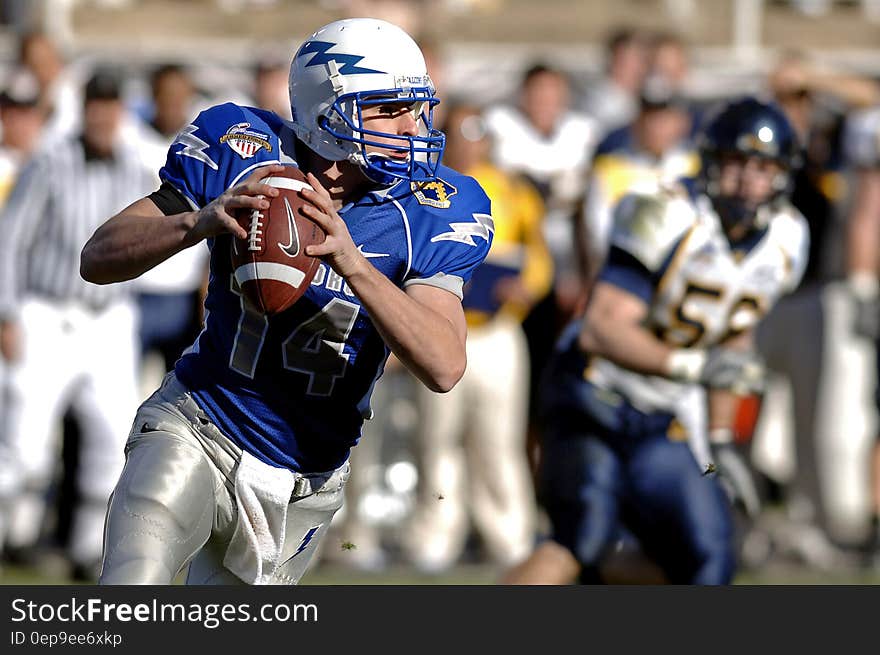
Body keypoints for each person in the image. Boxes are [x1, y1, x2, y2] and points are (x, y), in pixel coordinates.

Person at [80, 17, 492, 585]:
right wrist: (197, 222)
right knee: (130, 589)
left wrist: (353, 263)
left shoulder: (436, 206)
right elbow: (98, 257)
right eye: (388, 109)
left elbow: (444, 364)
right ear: (328, 111)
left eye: (416, 107)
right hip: (200, 423)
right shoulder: (243, 148)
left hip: (305, 478)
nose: (412, 125)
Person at [503, 97, 809, 585]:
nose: (749, 180)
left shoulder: (788, 238)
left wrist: (723, 438)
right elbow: (603, 327)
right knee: (581, 539)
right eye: (736, 164)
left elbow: (734, 333)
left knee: (709, 558)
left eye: (763, 167)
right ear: (710, 162)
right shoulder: (664, 210)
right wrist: (692, 368)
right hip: (593, 392)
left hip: (665, 413)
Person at [0, 68, 154, 580]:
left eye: (112, 105)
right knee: (25, 445)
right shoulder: (50, 161)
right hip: (48, 312)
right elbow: (10, 239)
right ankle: (13, 537)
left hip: (110, 317)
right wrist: (6, 313)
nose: (104, 115)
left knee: (112, 440)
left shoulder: (134, 165)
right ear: (83, 109)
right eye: (96, 104)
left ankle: (89, 552)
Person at [403, 104, 551, 572]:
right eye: (460, 131)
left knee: (498, 439)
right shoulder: (422, 185)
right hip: (441, 328)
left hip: (496, 330)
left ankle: (509, 535)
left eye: (476, 132)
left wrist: (525, 290)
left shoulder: (514, 191)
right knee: (437, 438)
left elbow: (540, 259)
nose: (469, 141)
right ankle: (437, 534)